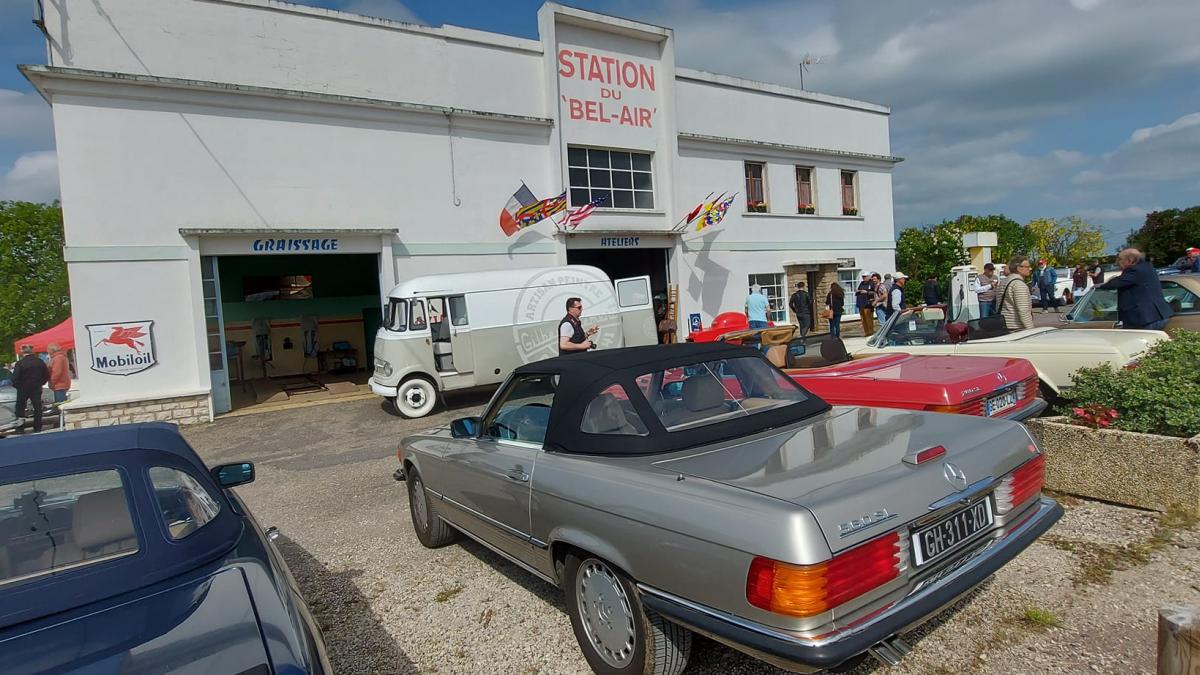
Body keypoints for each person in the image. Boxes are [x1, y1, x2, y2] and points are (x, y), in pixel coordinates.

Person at [1097, 248, 1173, 330]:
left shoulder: (1134, 270)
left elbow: (1114, 283)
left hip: (1145, 319)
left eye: (1119, 259)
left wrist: (1098, 286)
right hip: (1156, 316)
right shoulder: (1147, 266)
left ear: (1130, 260)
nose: (1116, 262)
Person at [11, 345, 49, 433]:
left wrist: (18, 386)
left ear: (22, 352)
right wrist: (40, 383)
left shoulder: (20, 363)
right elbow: (46, 375)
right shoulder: (40, 362)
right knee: (37, 407)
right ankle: (38, 427)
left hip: (23, 388)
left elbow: (15, 378)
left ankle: (20, 428)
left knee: (20, 408)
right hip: (36, 387)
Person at [996, 255, 1035, 330]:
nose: (1030, 269)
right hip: (1017, 327)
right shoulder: (1019, 284)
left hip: (1004, 325)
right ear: (1019, 268)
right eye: (1027, 267)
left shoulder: (1003, 282)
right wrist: (1031, 330)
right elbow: (1023, 311)